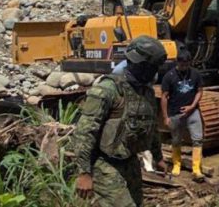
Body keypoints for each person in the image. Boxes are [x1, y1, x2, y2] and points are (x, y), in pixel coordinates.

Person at [68, 36, 167, 206]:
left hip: (130, 162)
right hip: (105, 164)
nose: (155, 72)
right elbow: (85, 132)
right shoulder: (108, 89)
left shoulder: (146, 92)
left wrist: (158, 157)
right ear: (141, 65)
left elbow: (152, 128)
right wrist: (84, 172)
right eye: (152, 67)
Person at [160, 48, 205, 181]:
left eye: (186, 64)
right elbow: (164, 97)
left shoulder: (195, 74)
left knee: (197, 139)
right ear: (177, 62)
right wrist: (165, 117)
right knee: (176, 139)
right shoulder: (169, 76)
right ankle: (176, 164)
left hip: (193, 112)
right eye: (182, 64)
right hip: (175, 113)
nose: (184, 67)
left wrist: (192, 106)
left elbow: (199, 91)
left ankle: (196, 168)